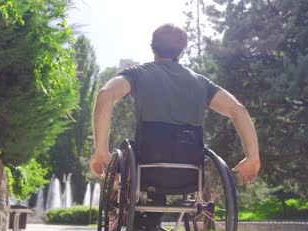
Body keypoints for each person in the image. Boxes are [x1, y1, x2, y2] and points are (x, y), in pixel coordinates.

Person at [90, 23, 260, 186]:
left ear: (152, 47)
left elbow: (105, 95)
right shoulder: (201, 83)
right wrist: (252, 156)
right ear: (182, 51)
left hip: (146, 163)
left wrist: (100, 151)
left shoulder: (138, 74)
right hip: (191, 168)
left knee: (126, 157)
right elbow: (238, 110)